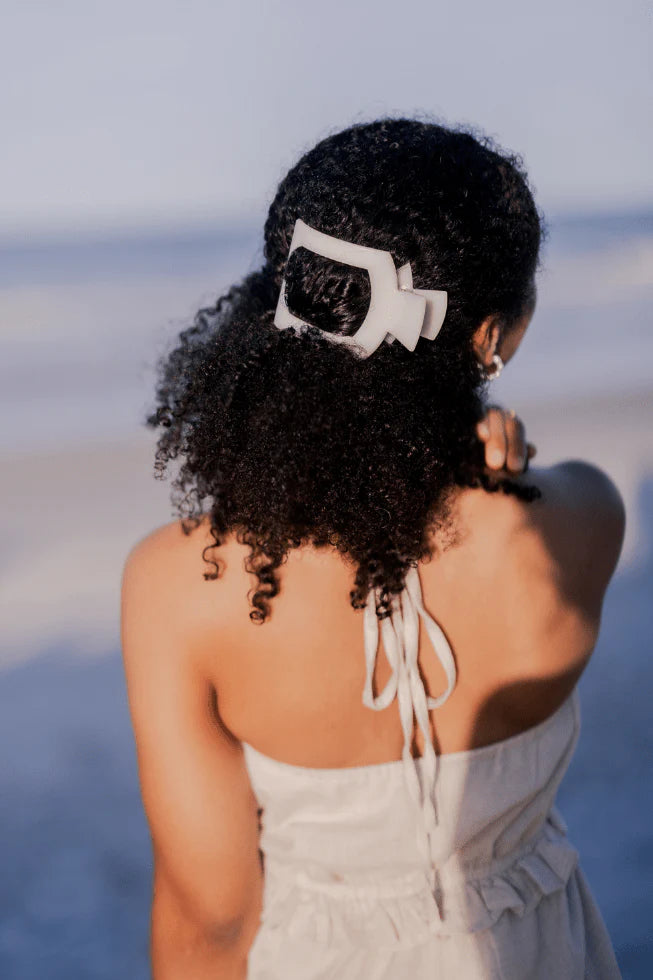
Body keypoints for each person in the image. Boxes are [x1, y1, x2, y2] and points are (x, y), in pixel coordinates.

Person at [121, 118, 625, 979]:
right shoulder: (580, 519)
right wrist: (482, 443)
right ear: (491, 336)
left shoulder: (181, 585)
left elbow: (210, 920)